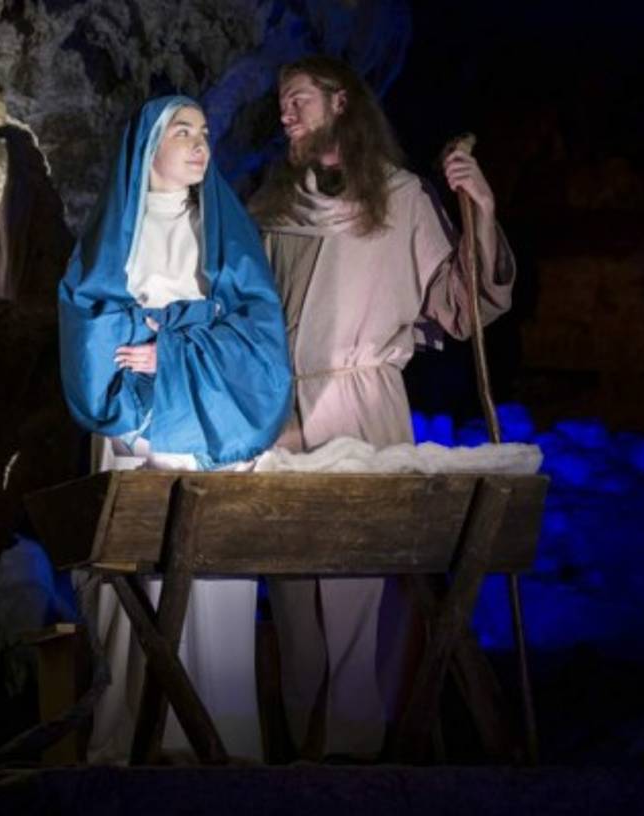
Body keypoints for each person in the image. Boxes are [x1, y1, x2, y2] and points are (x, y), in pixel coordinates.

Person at [250, 55, 517, 758]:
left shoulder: (400, 200)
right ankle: (305, 758)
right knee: (295, 595)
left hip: (361, 406)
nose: (285, 114)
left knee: (359, 584)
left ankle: (357, 755)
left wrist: (482, 210)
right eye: (282, 103)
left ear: (340, 102)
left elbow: (460, 307)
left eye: (299, 99)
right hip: (284, 418)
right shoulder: (275, 208)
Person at [58, 95, 292, 762]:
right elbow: (89, 317)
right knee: (134, 578)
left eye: (204, 132)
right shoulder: (114, 234)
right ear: (148, 147)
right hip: (132, 426)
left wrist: (173, 348)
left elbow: (257, 333)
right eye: (181, 131)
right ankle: (133, 740)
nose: (199, 144)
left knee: (209, 590)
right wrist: (147, 341)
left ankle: (215, 739)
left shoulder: (223, 231)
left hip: (206, 428)